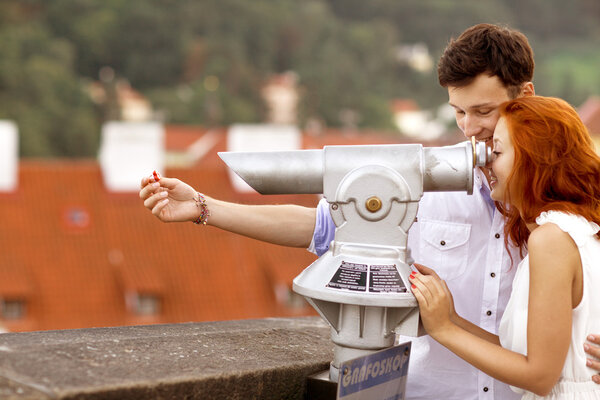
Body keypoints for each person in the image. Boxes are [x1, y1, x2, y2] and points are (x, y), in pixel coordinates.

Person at [139, 23, 600, 398]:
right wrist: (204, 207)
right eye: (458, 113)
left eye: (484, 111)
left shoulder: (560, 214)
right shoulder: (423, 179)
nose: (470, 129)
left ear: (526, 96)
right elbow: (321, 228)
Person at [410, 95, 600, 399]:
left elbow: (538, 376)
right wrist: (453, 318)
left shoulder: (550, 239)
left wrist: (444, 330)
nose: (486, 163)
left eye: (496, 151)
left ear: (533, 157)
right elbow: (529, 355)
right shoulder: (578, 228)